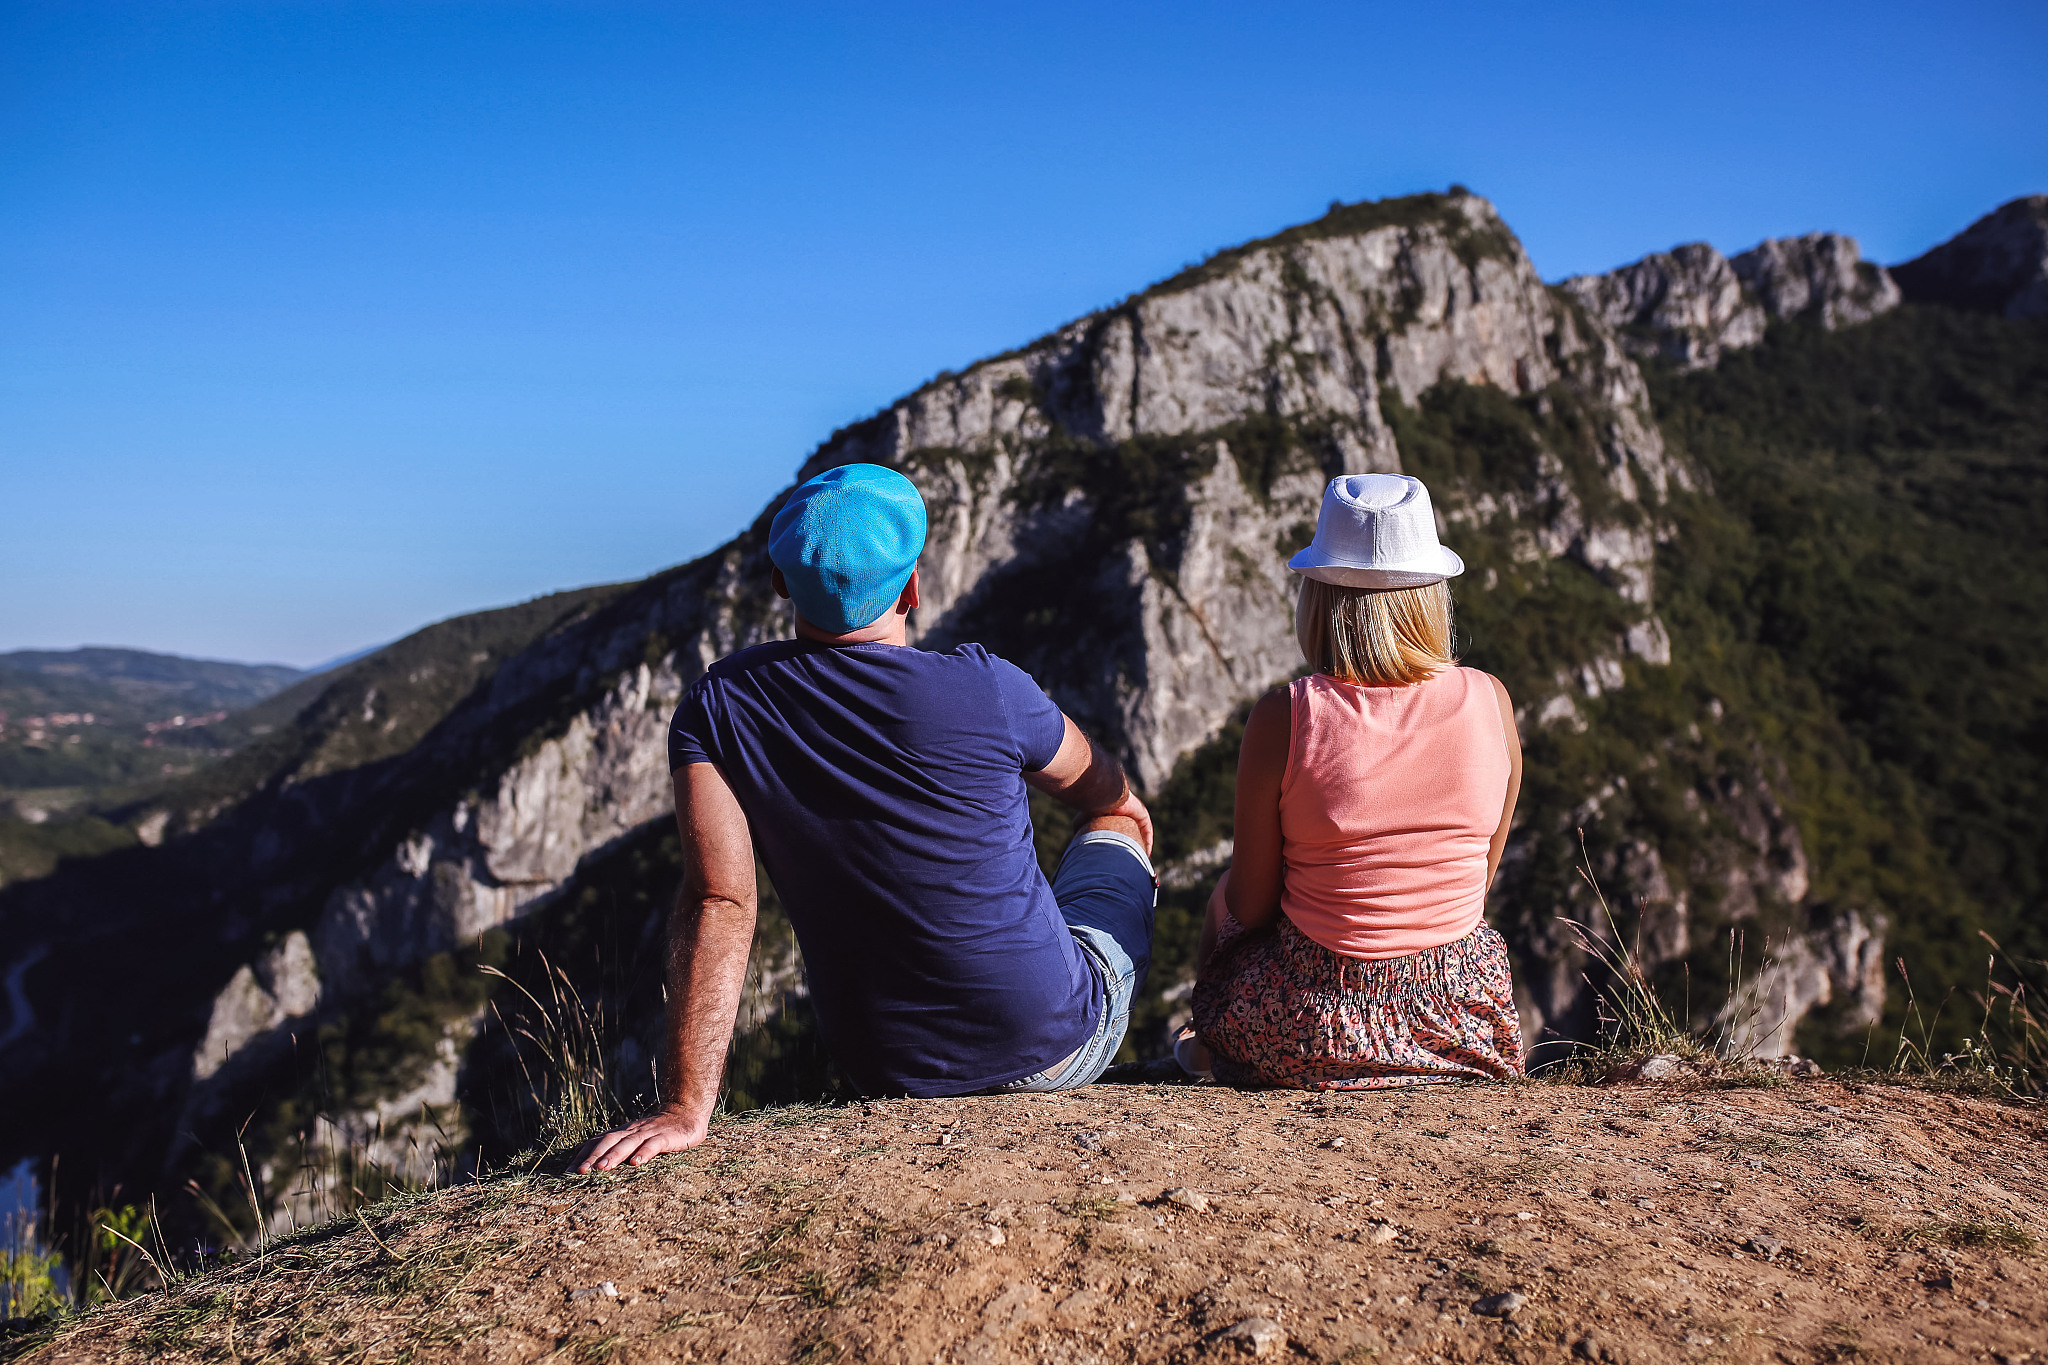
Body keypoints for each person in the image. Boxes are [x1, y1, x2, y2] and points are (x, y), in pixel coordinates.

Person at [578, 463, 1157, 1171]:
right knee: (1118, 823)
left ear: (780, 584)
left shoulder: (718, 706)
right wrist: (1120, 806)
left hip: (891, 1071)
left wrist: (685, 1107)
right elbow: (1099, 783)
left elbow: (720, 899)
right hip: (1056, 1045)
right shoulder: (990, 686)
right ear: (912, 586)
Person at [1179, 472, 1525, 1089]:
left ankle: (1206, 1040)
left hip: (1316, 1022)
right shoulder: (1491, 702)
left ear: (1318, 599)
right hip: (1466, 1016)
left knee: (1223, 894)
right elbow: (1477, 876)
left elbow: (1253, 906)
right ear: (1432, 596)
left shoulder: (1285, 716)